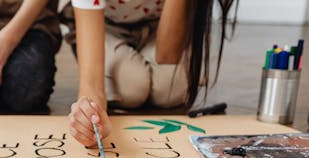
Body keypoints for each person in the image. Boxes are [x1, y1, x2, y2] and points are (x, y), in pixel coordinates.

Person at [63, 0, 238, 146]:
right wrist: (90, 117)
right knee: (132, 86)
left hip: (158, 24)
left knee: (170, 88)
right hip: (103, 25)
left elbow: (166, 55)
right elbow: (91, 83)